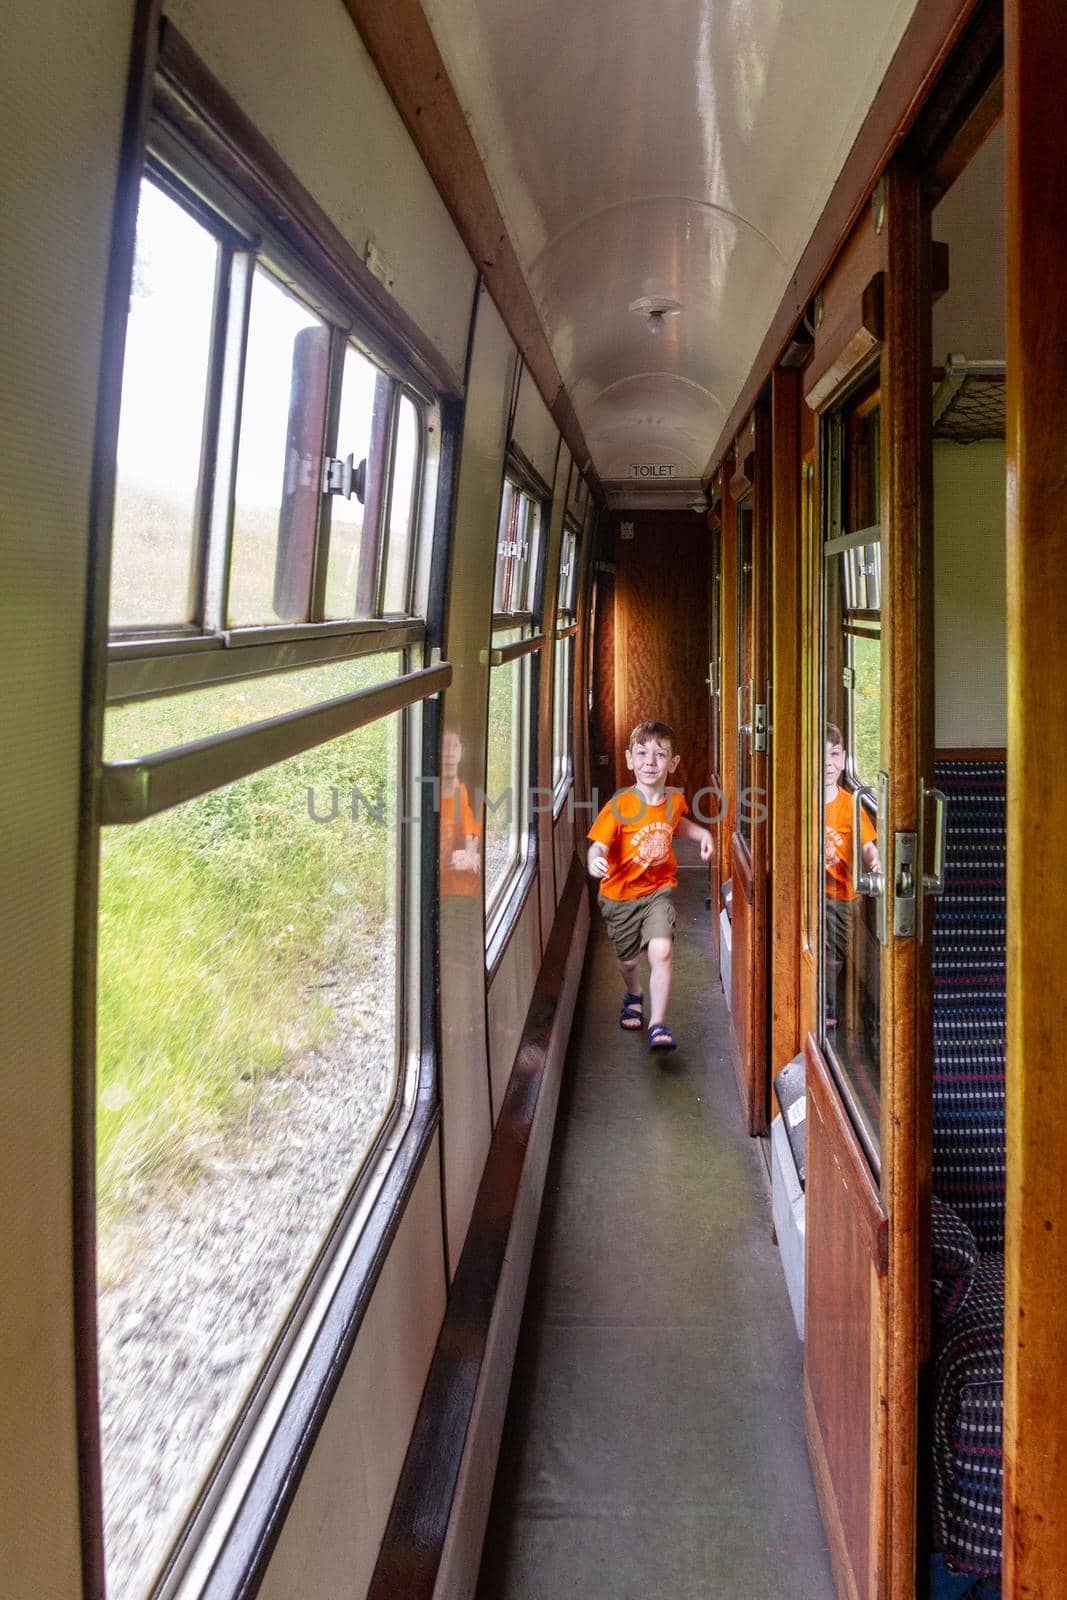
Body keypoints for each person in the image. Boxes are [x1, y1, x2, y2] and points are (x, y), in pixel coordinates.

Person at [587, 720, 713, 1051]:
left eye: (660, 755)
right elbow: (598, 844)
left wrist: (702, 833)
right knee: (629, 961)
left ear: (673, 763)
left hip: (657, 891)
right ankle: (634, 992)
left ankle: (657, 1024)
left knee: (662, 949)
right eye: (642, 754)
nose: (650, 762)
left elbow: (676, 824)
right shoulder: (620, 806)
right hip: (620, 896)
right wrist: (594, 858)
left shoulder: (674, 800)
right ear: (630, 759)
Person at [824, 722, 880, 1030]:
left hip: (842, 895)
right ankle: (815, 999)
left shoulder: (850, 806)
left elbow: (868, 848)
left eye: (834, 754)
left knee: (833, 956)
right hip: (812, 891)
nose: (829, 764)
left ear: (844, 758)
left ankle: (828, 998)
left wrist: (876, 866)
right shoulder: (804, 801)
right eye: (821, 756)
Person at [439, 728, 481, 898]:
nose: (449, 754)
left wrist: (472, 856)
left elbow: (472, 838)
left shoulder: (464, 794)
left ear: (461, 752)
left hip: (467, 893)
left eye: (454, 746)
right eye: (444, 746)